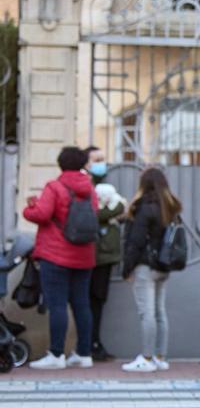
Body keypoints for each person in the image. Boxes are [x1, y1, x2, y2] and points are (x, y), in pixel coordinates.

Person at [24, 147, 98, 370]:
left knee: (57, 305)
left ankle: (56, 354)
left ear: (61, 164)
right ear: (83, 164)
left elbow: (42, 214)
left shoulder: (54, 187)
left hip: (56, 255)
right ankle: (84, 354)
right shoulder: (90, 189)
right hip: (84, 256)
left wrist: (29, 208)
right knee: (82, 304)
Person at [121, 167, 182, 373]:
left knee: (146, 313)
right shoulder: (170, 208)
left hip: (145, 266)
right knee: (159, 312)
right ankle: (159, 357)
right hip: (163, 267)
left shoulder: (144, 207)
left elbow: (135, 241)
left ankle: (146, 358)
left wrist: (127, 268)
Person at [84, 146, 125, 362]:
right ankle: (89, 344)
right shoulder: (84, 185)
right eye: (96, 159)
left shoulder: (104, 185)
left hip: (105, 253)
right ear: (86, 163)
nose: (101, 163)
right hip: (93, 252)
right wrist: (113, 212)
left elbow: (123, 210)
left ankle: (94, 343)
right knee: (90, 301)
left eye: (103, 158)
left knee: (97, 301)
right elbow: (97, 213)